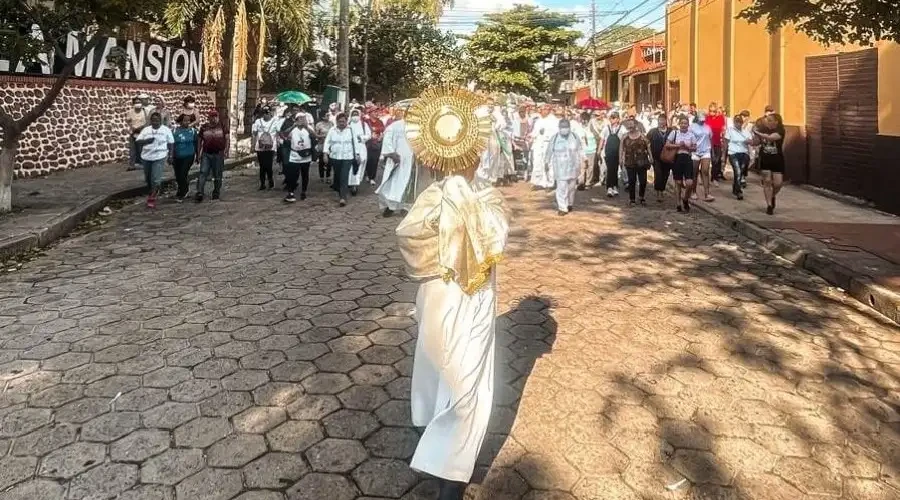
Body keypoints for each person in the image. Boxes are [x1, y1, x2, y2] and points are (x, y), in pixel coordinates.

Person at [395, 88, 510, 500]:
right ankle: (450, 473)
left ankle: (425, 423)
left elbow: (408, 240)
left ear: (432, 156)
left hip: (434, 298)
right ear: (476, 153)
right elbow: (496, 241)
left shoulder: (427, 200)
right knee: (468, 381)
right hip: (472, 299)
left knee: (435, 364)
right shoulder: (486, 201)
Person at [134, 112, 174, 209]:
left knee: (156, 178)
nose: (155, 122)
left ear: (160, 121)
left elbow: (171, 143)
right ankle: (152, 191)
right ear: (150, 121)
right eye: (153, 120)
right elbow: (138, 141)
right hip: (146, 157)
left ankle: (152, 198)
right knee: (148, 179)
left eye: (157, 120)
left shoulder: (166, 130)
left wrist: (171, 155)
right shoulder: (146, 130)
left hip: (160, 156)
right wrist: (147, 141)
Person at [544, 119, 583, 216]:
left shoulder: (574, 137)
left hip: (573, 167)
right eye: (562, 128)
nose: (564, 130)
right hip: (560, 168)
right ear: (559, 128)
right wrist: (546, 162)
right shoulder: (555, 138)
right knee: (561, 188)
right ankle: (562, 207)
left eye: (566, 127)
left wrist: (584, 159)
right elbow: (549, 151)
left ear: (569, 128)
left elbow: (580, 149)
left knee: (571, 188)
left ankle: (569, 203)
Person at [323, 113, 358, 207]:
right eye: (340, 121)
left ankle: (343, 197)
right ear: (337, 122)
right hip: (335, 156)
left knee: (344, 176)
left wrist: (357, 154)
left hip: (348, 156)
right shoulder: (332, 130)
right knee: (337, 175)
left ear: (346, 121)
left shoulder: (351, 130)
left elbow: (355, 143)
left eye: (344, 121)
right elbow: (327, 142)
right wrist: (325, 154)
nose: (342, 123)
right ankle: (339, 190)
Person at [664, 116, 697, 213]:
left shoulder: (691, 135)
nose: (683, 125)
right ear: (679, 124)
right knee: (678, 183)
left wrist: (687, 147)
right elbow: (667, 145)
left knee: (689, 183)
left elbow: (695, 148)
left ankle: (685, 198)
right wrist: (678, 145)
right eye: (682, 123)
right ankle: (678, 203)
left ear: (688, 125)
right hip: (677, 158)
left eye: (685, 123)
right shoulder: (674, 133)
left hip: (687, 158)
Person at [755, 113, 786, 214]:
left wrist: (757, 132)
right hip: (765, 158)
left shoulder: (780, 130)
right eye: (767, 120)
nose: (767, 122)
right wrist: (751, 140)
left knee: (778, 183)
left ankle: (772, 195)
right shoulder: (762, 129)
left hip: (777, 159)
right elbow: (756, 142)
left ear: (776, 122)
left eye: (770, 120)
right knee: (767, 181)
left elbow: (771, 138)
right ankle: (769, 205)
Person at [196, 110, 229, 202]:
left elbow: (227, 138)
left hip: (218, 153)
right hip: (206, 154)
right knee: (203, 172)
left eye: (216, 116)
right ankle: (199, 192)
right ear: (208, 118)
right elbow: (199, 141)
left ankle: (216, 192)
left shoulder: (222, 126)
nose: (214, 118)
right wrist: (198, 153)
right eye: (212, 116)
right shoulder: (204, 127)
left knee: (218, 174)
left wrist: (226, 150)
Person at [620, 118, 652, 206]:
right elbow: (621, 148)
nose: (629, 126)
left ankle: (641, 197)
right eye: (628, 125)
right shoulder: (624, 136)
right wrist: (620, 159)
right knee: (632, 181)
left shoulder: (642, 136)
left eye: (631, 124)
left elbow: (648, 146)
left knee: (643, 181)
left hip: (642, 161)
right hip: (630, 161)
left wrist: (651, 157)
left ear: (636, 125)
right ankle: (632, 199)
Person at [285, 114, 315, 202]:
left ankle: (303, 191)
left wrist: (307, 127)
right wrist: (293, 126)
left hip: (306, 155)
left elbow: (314, 136)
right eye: (300, 119)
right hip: (294, 154)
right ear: (296, 120)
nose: (302, 120)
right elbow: (285, 134)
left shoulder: (308, 128)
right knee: (293, 175)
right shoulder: (293, 129)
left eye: (303, 118)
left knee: (305, 174)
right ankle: (291, 192)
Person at [528, 104, 558, 189]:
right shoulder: (539, 120)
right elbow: (535, 132)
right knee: (537, 163)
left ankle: (550, 183)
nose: (542, 111)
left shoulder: (554, 121)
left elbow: (556, 133)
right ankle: (538, 182)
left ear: (548, 110)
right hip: (538, 144)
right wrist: (531, 136)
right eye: (541, 109)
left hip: (548, 144)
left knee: (548, 164)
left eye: (545, 109)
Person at [724, 113, 752, 200]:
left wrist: (749, 142)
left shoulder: (746, 132)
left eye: (740, 122)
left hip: (744, 153)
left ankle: (735, 186)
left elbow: (751, 142)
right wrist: (723, 155)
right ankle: (739, 191)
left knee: (741, 171)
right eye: (736, 122)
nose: (738, 124)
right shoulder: (730, 130)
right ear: (734, 122)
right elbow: (726, 142)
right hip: (733, 153)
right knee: (738, 171)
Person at [171, 114, 198, 201]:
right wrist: (170, 156)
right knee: (178, 175)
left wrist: (198, 155)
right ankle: (180, 188)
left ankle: (184, 191)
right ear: (180, 121)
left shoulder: (193, 131)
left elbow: (196, 144)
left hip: (189, 155)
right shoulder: (175, 131)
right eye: (185, 120)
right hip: (177, 156)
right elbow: (171, 144)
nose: (187, 122)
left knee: (183, 173)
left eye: (188, 120)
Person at [252, 106, 280, 190]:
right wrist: (253, 144)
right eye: (264, 113)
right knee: (262, 165)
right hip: (260, 147)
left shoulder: (275, 121)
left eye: (267, 113)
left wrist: (278, 142)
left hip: (271, 147)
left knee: (268, 165)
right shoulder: (257, 121)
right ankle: (262, 183)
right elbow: (254, 133)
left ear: (270, 113)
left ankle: (270, 180)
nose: (266, 115)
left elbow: (278, 132)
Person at [648, 113, 672, 203]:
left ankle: (662, 189)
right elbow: (647, 143)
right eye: (660, 120)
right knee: (658, 174)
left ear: (666, 121)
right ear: (657, 121)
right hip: (656, 157)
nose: (662, 122)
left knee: (665, 174)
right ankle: (658, 192)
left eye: (663, 120)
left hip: (667, 157)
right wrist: (649, 155)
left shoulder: (670, 131)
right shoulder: (652, 131)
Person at [600, 111, 626, 197]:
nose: (612, 119)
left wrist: (624, 153)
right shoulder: (606, 128)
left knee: (615, 169)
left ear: (618, 119)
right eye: (611, 118)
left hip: (618, 152)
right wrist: (599, 150)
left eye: (614, 118)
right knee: (610, 169)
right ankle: (609, 187)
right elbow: (602, 139)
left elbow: (625, 140)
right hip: (608, 151)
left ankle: (615, 186)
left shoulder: (622, 128)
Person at [690, 112, 714, 202]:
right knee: (694, 173)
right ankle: (693, 192)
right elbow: (689, 137)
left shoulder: (707, 127)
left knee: (705, 171)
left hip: (706, 151)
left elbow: (710, 139)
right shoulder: (692, 127)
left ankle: (707, 193)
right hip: (695, 152)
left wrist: (713, 151)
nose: (702, 121)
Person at [347, 108, 371, 195]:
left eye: (356, 114)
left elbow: (369, 135)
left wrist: (362, 138)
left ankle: (355, 184)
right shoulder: (348, 125)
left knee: (359, 165)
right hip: (350, 149)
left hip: (361, 148)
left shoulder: (364, 125)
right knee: (350, 167)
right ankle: (350, 184)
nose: (355, 116)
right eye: (353, 114)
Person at [364, 107, 386, 186]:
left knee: (375, 161)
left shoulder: (380, 122)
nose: (376, 113)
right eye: (374, 112)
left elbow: (383, 131)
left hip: (377, 144)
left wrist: (381, 137)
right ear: (370, 113)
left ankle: (372, 177)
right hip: (368, 144)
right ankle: (366, 173)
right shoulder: (366, 122)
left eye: (377, 111)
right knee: (368, 160)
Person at [575, 112, 597, 190]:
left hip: (591, 149)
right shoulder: (579, 128)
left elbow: (597, 135)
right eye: (582, 119)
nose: (584, 121)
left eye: (585, 119)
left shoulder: (592, 126)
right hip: (582, 150)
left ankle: (588, 182)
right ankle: (581, 182)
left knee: (590, 167)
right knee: (582, 167)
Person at [706, 102, 727, 183]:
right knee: (711, 159)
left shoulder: (721, 118)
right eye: (710, 111)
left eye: (714, 111)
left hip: (718, 141)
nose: (712, 113)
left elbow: (723, 129)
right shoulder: (707, 118)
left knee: (717, 160)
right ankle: (710, 176)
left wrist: (723, 140)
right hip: (708, 141)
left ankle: (715, 176)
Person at [126, 97, 149, 170]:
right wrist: (132, 128)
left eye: (139, 102)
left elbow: (147, 122)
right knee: (132, 150)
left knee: (141, 149)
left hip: (142, 132)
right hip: (133, 132)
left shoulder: (145, 111)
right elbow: (128, 121)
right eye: (136, 102)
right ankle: (132, 165)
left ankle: (143, 163)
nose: (137, 104)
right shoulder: (130, 112)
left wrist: (140, 128)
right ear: (133, 104)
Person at [315, 117, 333, 183]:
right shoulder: (319, 124)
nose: (328, 117)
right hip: (321, 144)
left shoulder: (331, 124)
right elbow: (315, 134)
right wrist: (322, 137)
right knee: (321, 161)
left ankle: (328, 176)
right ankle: (321, 176)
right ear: (322, 116)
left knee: (329, 161)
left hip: (330, 145)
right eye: (326, 115)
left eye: (328, 115)